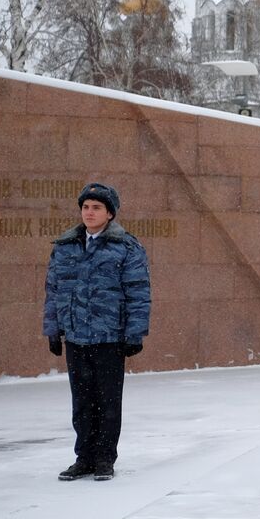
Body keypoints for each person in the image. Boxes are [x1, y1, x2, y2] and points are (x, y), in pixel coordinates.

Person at [43, 183, 151, 482]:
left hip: (109, 337)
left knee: (107, 401)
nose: (89, 212)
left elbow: (138, 293)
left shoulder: (126, 247)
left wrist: (134, 334)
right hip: (76, 336)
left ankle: (104, 459)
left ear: (110, 213)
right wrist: (54, 330)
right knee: (82, 401)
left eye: (96, 208)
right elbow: (54, 291)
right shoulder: (65, 246)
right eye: (86, 207)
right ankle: (84, 458)